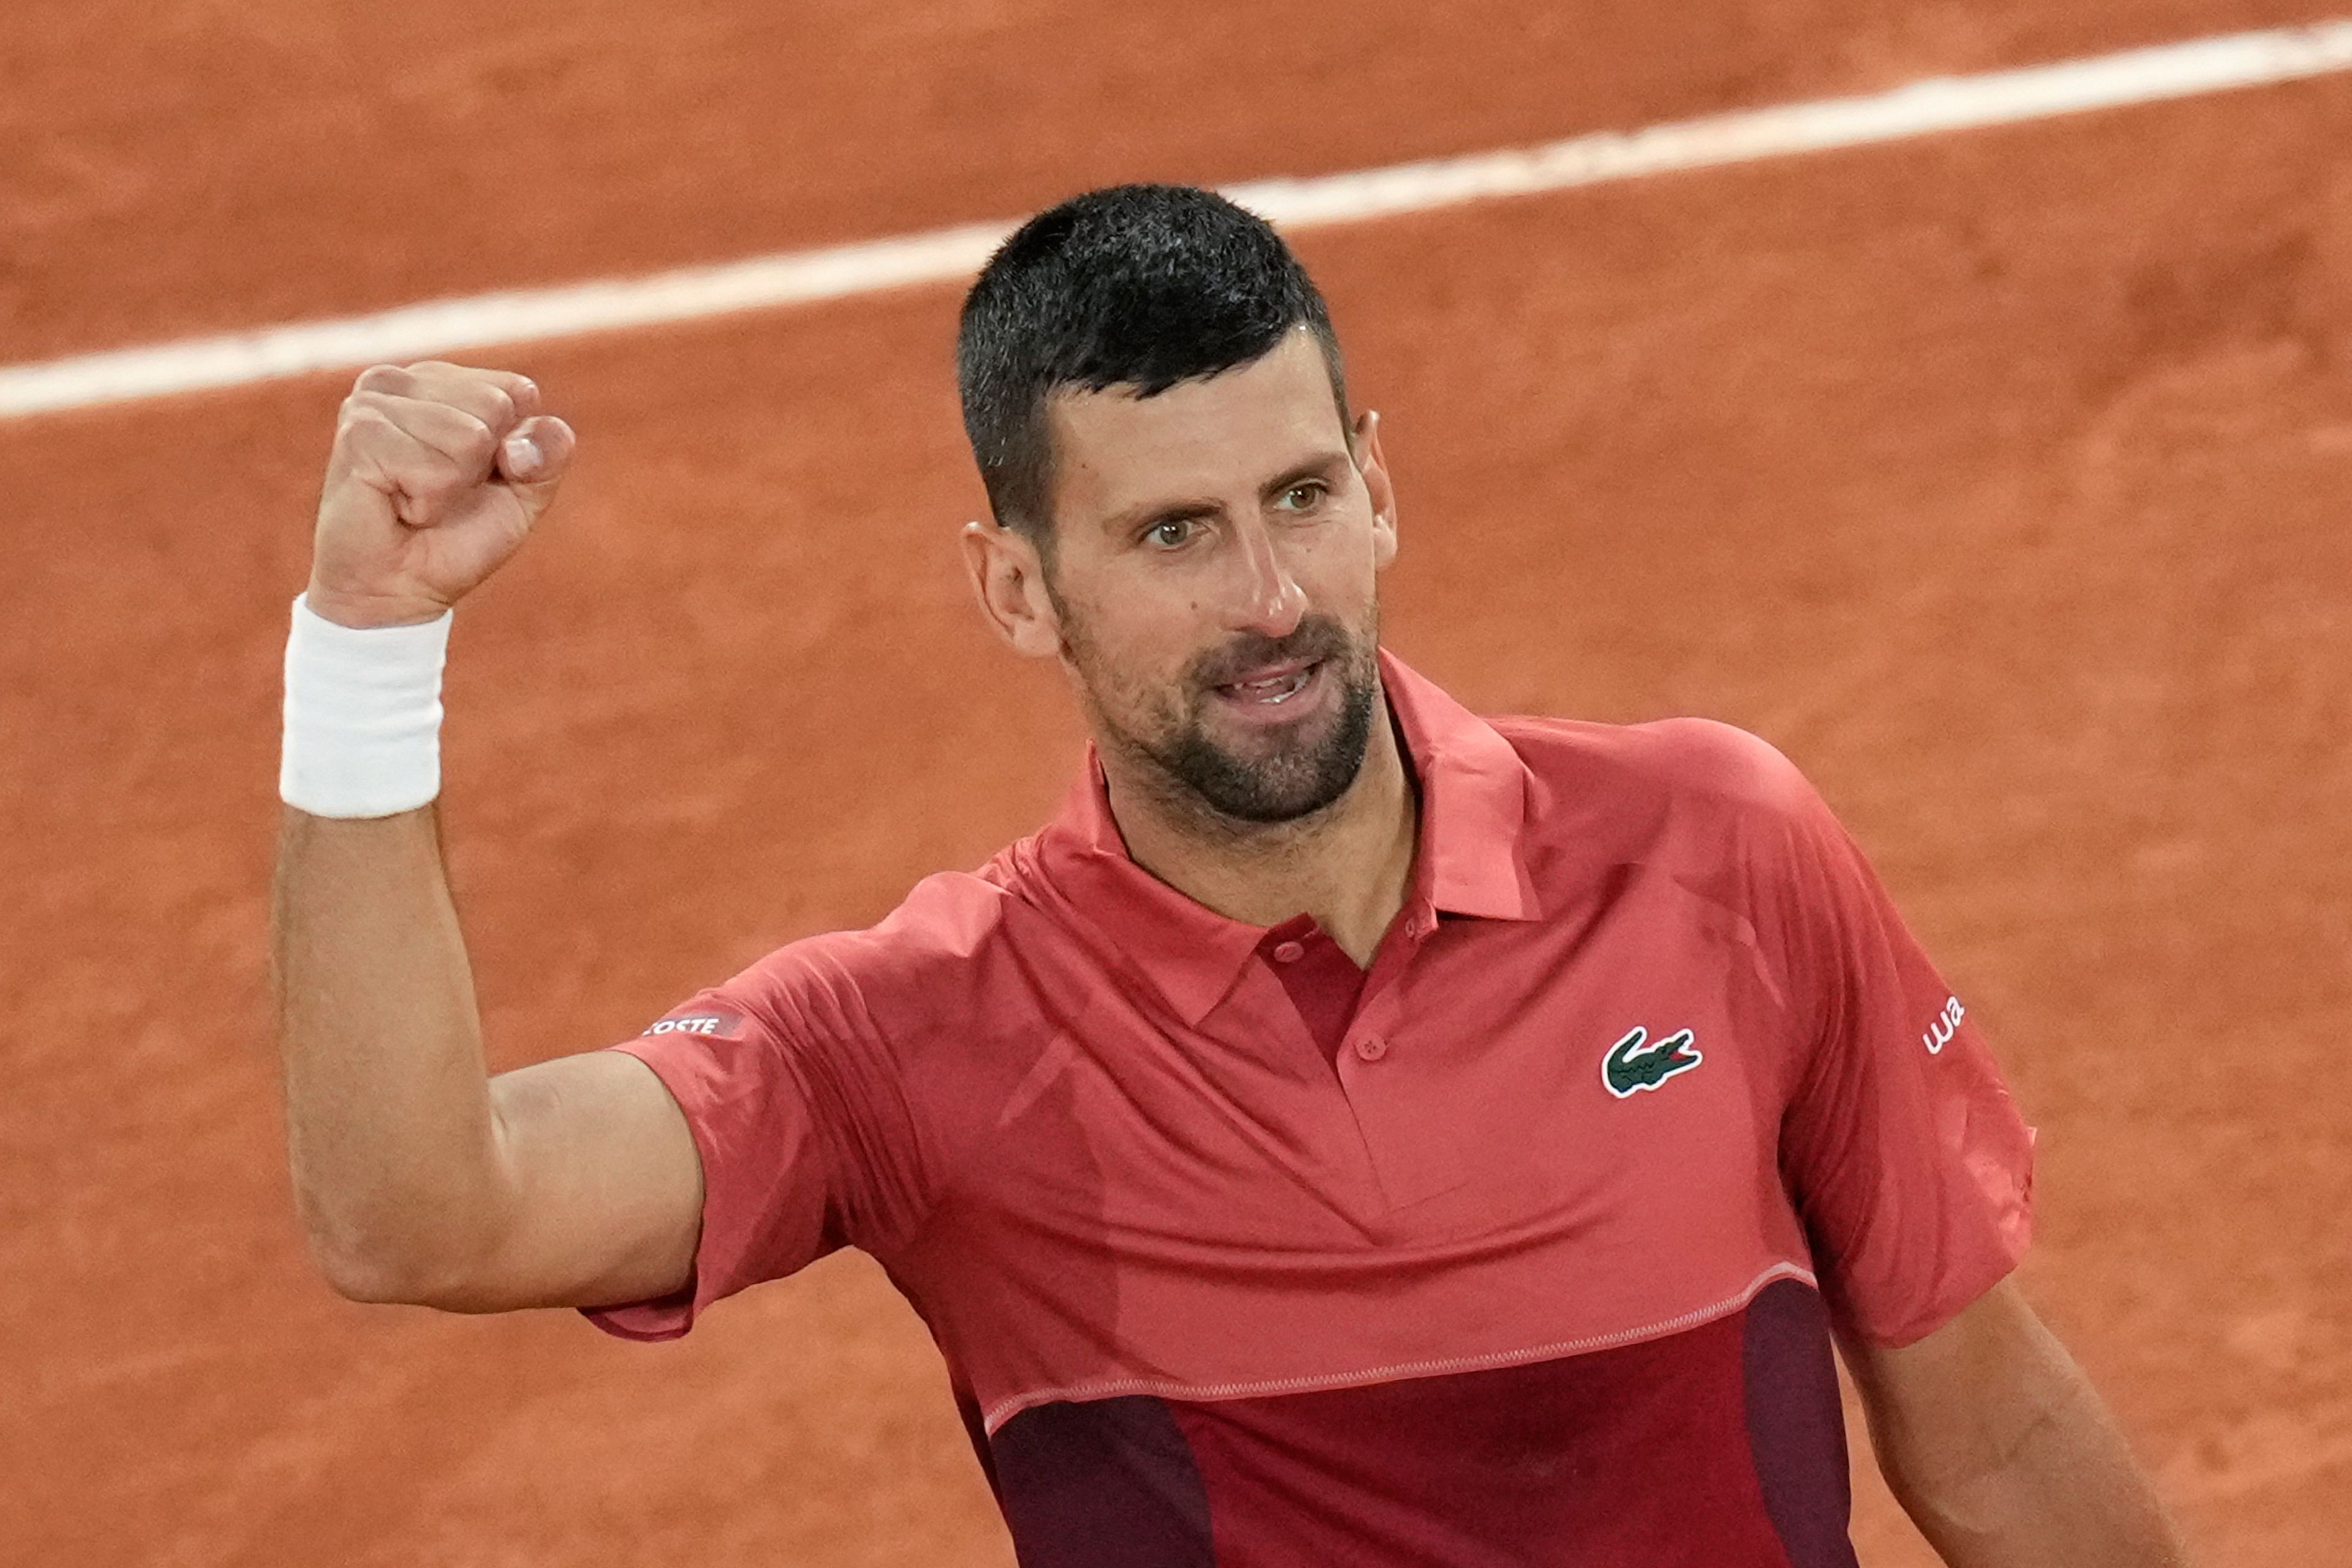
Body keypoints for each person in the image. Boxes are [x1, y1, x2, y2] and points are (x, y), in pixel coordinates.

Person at [273, 184, 2190, 1567]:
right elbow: (422, 1216)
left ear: (1376, 483)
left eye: (1297, 499)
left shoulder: (1720, 855)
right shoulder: (920, 1042)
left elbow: (1995, 1433)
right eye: (1175, 533)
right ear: (1018, 587)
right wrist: (366, 644)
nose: (1271, 603)